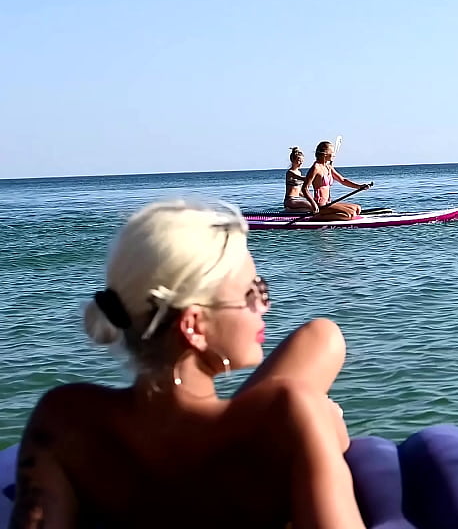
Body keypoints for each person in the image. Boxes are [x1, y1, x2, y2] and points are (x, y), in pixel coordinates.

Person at [9, 199, 364, 528]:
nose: (265, 306)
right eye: (252, 293)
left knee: (323, 335)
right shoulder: (289, 413)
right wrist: (322, 429)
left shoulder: (63, 418)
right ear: (194, 325)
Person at [303, 140, 372, 222]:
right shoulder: (316, 168)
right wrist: (314, 205)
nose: (334, 154)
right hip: (320, 205)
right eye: (332, 152)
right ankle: (317, 217)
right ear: (325, 153)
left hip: (328, 203)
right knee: (350, 214)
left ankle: (326, 215)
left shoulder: (328, 167)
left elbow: (343, 180)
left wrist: (359, 186)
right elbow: (304, 188)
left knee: (357, 209)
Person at [284, 146, 319, 213]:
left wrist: (310, 198)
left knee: (313, 206)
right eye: (299, 160)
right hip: (290, 200)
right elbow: (302, 178)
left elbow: (299, 191)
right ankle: (289, 210)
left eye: (302, 161)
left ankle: (293, 211)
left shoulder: (299, 172)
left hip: (297, 199)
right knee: (312, 206)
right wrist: (313, 177)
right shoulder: (290, 172)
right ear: (293, 160)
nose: (301, 163)